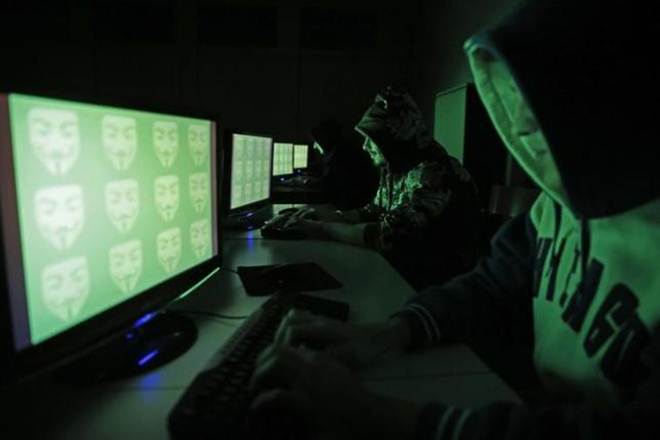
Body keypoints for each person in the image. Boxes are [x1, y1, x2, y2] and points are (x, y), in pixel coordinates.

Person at [248, 0, 660, 439]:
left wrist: (373, 414)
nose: (522, 123)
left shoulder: (431, 173)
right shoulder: (553, 206)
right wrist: (391, 332)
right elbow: (491, 285)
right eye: (516, 96)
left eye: (547, 93)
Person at [285, 87, 480, 290]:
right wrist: (327, 216)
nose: (365, 146)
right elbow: (374, 211)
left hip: (440, 284)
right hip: (408, 270)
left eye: (372, 138)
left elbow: (387, 237)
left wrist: (320, 229)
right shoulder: (395, 166)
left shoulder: (434, 172)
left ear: (393, 139)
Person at [311, 117, 379, 210]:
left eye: (316, 141)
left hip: (352, 210)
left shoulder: (341, 157)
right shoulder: (345, 151)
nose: (314, 146)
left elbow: (330, 187)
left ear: (324, 139)